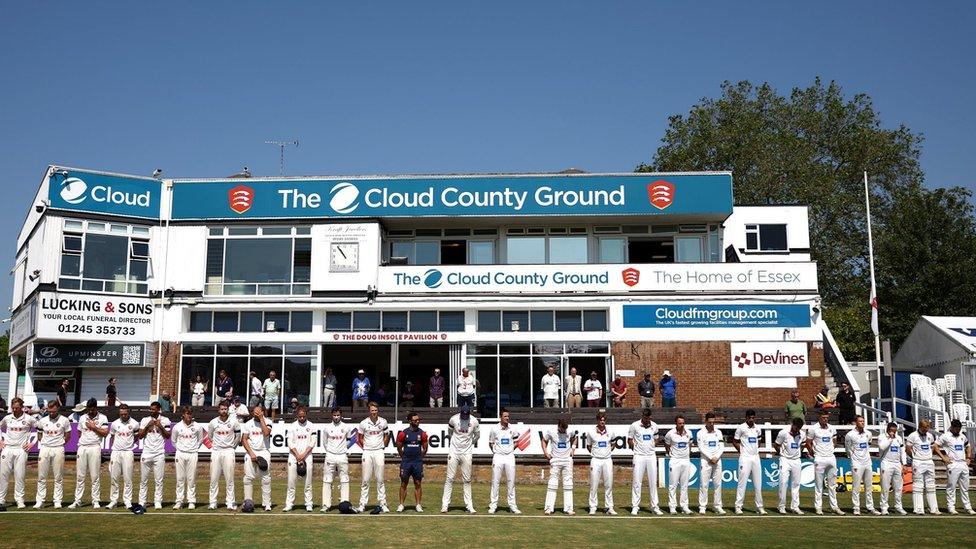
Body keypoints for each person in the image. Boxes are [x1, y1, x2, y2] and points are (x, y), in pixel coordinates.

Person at [68, 398, 108, 509]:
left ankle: (95, 501)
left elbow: (105, 433)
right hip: (82, 448)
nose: (90, 411)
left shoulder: (103, 418)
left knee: (95, 476)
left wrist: (94, 427)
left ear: (96, 408)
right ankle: (77, 500)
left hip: (95, 447)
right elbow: (80, 433)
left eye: (92, 409)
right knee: (80, 476)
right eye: (89, 409)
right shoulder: (82, 418)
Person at [441, 405, 480, 513]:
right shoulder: (453, 419)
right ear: (460, 413)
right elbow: (449, 433)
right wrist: (453, 443)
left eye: (466, 415)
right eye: (463, 414)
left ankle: (469, 506)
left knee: (467, 480)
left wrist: (470, 444)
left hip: (466, 453)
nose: (464, 416)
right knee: (449, 479)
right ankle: (445, 505)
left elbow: (477, 436)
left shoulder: (474, 421)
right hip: (454, 452)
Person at [0, 397, 37, 509]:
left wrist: (32, 443)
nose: (14, 410)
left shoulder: (29, 419)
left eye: (17, 408)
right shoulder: (7, 418)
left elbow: (40, 428)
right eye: (13, 408)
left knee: (20, 475)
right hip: (7, 448)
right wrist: (0, 441)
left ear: (21, 407)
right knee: (3, 475)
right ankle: (1, 500)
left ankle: (19, 500)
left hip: (21, 450)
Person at [34, 400, 71, 508]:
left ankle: (57, 500)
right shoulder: (43, 420)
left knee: (58, 476)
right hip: (45, 448)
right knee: (41, 476)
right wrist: (46, 443)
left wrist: (60, 443)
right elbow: (39, 435)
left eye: (53, 411)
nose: (51, 413)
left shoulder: (64, 420)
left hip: (58, 449)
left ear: (57, 409)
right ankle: (40, 500)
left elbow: (68, 435)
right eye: (49, 411)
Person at [806, 409, 844, 515]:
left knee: (832, 485)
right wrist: (813, 453)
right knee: (819, 485)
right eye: (823, 418)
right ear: (819, 417)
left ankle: (834, 506)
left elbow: (835, 440)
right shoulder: (813, 429)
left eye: (827, 418)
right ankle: (818, 507)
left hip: (831, 458)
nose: (825, 419)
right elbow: (808, 442)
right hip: (819, 458)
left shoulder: (832, 428)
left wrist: (832, 448)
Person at [935, 418, 974, 514]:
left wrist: (968, 457)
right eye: (956, 429)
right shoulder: (945, 436)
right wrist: (943, 457)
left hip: (963, 464)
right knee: (951, 487)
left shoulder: (962, 436)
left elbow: (968, 445)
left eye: (959, 429)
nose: (958, 431)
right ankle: (951, 507)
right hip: (953, 464)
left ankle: (968, 507)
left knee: (965, 487)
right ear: (952, 427)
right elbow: (935, 446)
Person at [137, 401, 171, 510]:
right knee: (143, 479)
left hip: (159, 453)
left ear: (159, 409)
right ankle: (142, 501)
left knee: (159, 479)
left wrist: (160, 426)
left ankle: (158, 501)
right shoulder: (145, 420)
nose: (151, 411)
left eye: (153, 409)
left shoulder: (165, 420)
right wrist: (148, 426)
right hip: (147, 452)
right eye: (150, 409)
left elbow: (168, 436)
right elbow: (140, 436)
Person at [357, 402, 390, 513]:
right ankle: (362, 504)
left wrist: (382, 446)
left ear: (378, 410)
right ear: (369, 411)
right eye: (372, 410)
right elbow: (359, 438)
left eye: (376, 410)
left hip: (379, 452)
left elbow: (387, 435)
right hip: (367, 452)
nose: (374, 412)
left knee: (380, 479)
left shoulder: (383, 421)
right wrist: (366, 447)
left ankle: (383, 503)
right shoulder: (363, 423)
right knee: (365, 480)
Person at [628, 408, 662, 515]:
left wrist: (653, 445)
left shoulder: (654, 426)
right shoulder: (635, 425)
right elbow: (629, 439)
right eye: (645, 417)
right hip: (639, 456)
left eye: (649, 418)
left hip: (651, 456)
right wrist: (635, 449)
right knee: (637, 482)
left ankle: (655, 506)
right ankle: (635, 506)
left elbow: (656, 438)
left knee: (653, 482)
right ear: (642, 416)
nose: (647, 420)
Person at [208, 400, 240, 510]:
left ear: (228, 410)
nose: (224, 411)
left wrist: (232, 447)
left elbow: (238, 436)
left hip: (229, 451)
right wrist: (217, 446)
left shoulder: (234, 422)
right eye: (222, 409)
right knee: (214, 478)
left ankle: (230, 502)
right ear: (218, 410)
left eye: (225, 409)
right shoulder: (213, 422)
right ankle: (213, 502)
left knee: (229, 478)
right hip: (216, 451)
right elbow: (210, 436)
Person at [488, 408, 521, 514]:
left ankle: (512, 506)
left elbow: (516, 442)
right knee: (495, 481)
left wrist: (510, 450)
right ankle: (493, 505)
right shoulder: (494, 429)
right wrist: (496, 451)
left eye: (508, 416)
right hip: (498, 456)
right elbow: (491, 443)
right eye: (505, 416)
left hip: (510, 457)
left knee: (511, 481)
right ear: (500, 417)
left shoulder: (513, 429)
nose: (507, 418)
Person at [171, 406, 204, 509]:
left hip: (192, 454)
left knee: (191, 478)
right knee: (180, 478)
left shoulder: (197, 426)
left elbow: (200, 440)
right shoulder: (177, 426)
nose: (189, 415)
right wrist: (181, 449)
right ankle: (179, 501)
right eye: (187, 413)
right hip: (180, 453)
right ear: (183, 415)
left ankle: (191, 501)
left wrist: (193, 449)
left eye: (190, 413)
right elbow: (173, 441)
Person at [106, 403, 139, 509]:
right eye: (121, 414)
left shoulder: (134, 423)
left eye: (125, 414)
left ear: (128, 412)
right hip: (116, 452)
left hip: (128, 452)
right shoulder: (115, 424)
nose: (123, 416)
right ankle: (113, 501)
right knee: (114, 477)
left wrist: (128, 446)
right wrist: (116, 448)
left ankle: (127, 501)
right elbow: (112, 437)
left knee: (128, 478)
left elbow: (136, 437)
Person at [733, 409, 765, 514]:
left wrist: (754, 450)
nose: (751, 420)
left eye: (753, 418)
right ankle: (738, 506)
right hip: (745, 458)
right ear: (746, 417)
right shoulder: (741, 428)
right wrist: (742, 451)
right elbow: (735, 441)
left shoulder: (758, 429)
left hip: (755, 457)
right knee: (742, 483)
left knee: (758, 483)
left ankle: (759, 507)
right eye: (750, 418)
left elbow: (759, 441)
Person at [542, 418, 576, 515]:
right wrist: (546, 453)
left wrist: (573, 449)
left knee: (568, 484)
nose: (564, 431)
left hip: (567, 460)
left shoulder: (570, 431)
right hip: (555, 460)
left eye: (565, 429)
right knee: (552, 484)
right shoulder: (551, 432)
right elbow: (544, 441)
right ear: (558, 426)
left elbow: (574, 438)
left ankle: (568, 508)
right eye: (562, 429)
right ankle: (549, 508)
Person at [322, 407, 355, 512]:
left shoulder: (346, 427)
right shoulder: (327, 428)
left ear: (341, 415)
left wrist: (343, 449)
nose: (336, 417)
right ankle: (326, 505)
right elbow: (325, 442)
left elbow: (349, 440)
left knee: (344, 479)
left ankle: (345, 503)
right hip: (330, 455)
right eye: (334, 415)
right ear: (332, 415)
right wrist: (331, 451)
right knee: (327, 479)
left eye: (338, 415)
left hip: (342, 456)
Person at [242, 403, 272, 512]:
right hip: (251, 452)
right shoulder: (248, 424)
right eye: (254, 412)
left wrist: (261, 419)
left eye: (258, 412)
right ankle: (248, 502)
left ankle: (267, 504)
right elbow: (244, 439)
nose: (256, 414)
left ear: (262, 412)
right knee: (248, 478)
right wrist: (251, 454)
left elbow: (266, 433)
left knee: (265, 479)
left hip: (264, 451)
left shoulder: (268, 422)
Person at [844, 415, 877, 515]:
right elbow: (847, 449)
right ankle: (856, 507)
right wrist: (854, 458)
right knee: (856, 486)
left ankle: (870, 507)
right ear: (855, 422)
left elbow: (869, 444)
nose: (862, 423)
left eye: (863, 421)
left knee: (869, 486)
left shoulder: (868, 433)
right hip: (856, 463)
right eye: (860, 421)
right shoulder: (850, 435)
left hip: (867, 462)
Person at [396, 411, 428, 513]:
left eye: (418, 420)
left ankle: (418, 504)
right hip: (406, 462)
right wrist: (404, 457)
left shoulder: (422, 433)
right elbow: (399, 447)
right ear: (410, 421)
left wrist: (419, 457)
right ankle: (401, 504)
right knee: (403, 483)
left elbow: (425, 448)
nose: (418, 421)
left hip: (417, 462)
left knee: (418, 483)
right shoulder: (403, 433)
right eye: (415, 420)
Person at [285, 406, 315, 512]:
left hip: (307, 456)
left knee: (308, 482)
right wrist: (297, 455)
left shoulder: (311, 426)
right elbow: (290, 442)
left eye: (303, 416)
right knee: (291, 482)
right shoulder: (292, 426)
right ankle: (289, 504)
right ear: (297, 415)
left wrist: (304, 455)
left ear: (306, 415)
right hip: (294, 456)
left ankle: (309, 503)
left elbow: (313, 442)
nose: (302, 418)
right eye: (300, 416)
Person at [906, 419, 939, 514]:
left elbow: (932, 447)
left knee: (931, 485)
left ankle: (934, 508)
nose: (926, 430)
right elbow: (908, 449)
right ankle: (918, 508)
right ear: (920, 427)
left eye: (927, 427)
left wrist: (928, 455)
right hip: (918, 462)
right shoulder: (913, 436)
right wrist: (915, 457)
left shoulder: (930, 436)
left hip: (929, 462)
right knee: (918, 485)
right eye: (924, 428)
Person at [774, 417, 805, 515]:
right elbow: (776, 445)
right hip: (785, 460)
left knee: (796, 484)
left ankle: (795, 507)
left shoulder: (802, 434)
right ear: (792, 424)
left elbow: (802, 445)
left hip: (796, 460)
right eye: (796, 427)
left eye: (799, 428)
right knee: (783, 483)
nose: (797, 430)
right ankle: (781, 506)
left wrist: (798, 453)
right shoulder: (783, 432)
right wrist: (781, 454)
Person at [587, 411, 616, 515]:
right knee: (594, 484)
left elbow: (613, 444)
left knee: (609, 484)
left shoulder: (611, 431)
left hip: (607, 459)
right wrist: (596, 453)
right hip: (596, 460)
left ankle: (609, 507)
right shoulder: (591, 432)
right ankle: (593, 507)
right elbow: (589, 446)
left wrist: (607, 452)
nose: (602, 422)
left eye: (604, 420)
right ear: (597, 420)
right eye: (601, 420)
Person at [697, 411, 725, 514]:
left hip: (717, 460)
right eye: (710, 422)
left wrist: (716, 457)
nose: (712, 424)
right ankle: (702, 506)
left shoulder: (718, 432)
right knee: (704, 484)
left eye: (713, 422)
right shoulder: (701, 433)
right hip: (705, 461)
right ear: (706, 421)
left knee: (718, 484)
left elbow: (721, 446)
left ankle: (717, 506)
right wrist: (710, 457)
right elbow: (701, 447)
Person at [877, 421, 908, 515]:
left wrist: (904, 464)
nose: (893, 433)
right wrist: (890, 439)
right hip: (886, 463)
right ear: (888, 429)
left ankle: (898, 506)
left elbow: (902, 451)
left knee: (898, 487)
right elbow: (882, 447)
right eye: (891, 431)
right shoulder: (882, 437)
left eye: (894, 431)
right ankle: (884, 507)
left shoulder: (898, 438)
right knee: (885, 487)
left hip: (897, 464)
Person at [664, 414, 692, 514]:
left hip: (685, 460)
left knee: (684, 485)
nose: (682, 425)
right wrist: (671, 454)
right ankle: (672, 506)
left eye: (683, 423)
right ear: (676, 423)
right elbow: (667, 445)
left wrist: (687, 455)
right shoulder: (670, 434)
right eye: (680, 423)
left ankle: (684, 506)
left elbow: (690, 444)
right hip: (675, 460)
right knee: (673, 484)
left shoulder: (689, 432)